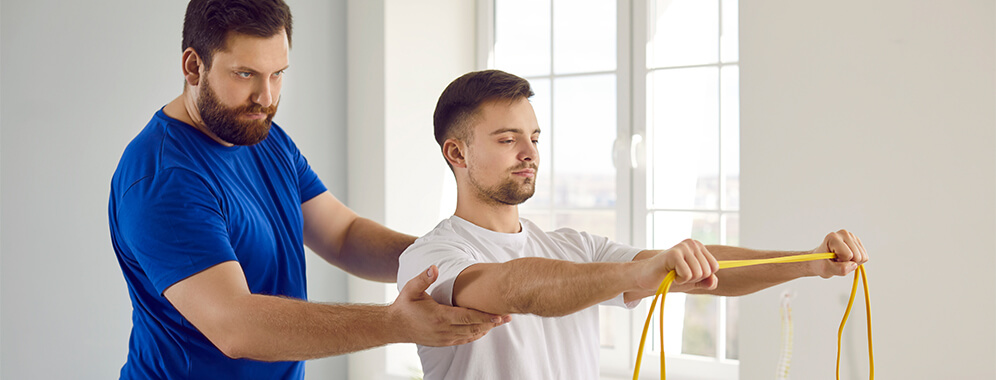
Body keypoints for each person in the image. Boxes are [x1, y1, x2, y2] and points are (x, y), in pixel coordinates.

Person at [107, 1, 509, 379]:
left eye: (277, 74)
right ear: (194, 67)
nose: (266, 98)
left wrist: (446, 262)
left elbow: (343, 235)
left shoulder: (262, 137)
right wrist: (394, 323)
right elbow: (236, 326)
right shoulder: (163, 178)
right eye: (245, 74)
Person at [396, 69, 870, 379]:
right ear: (456, 153)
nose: (529, 154)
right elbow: (516, 289)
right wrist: (636, 274)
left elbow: (705, 269)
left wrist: (808, 263)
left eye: (535, 138)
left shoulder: (575, 246)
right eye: (507, 140)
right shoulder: (432, 257)